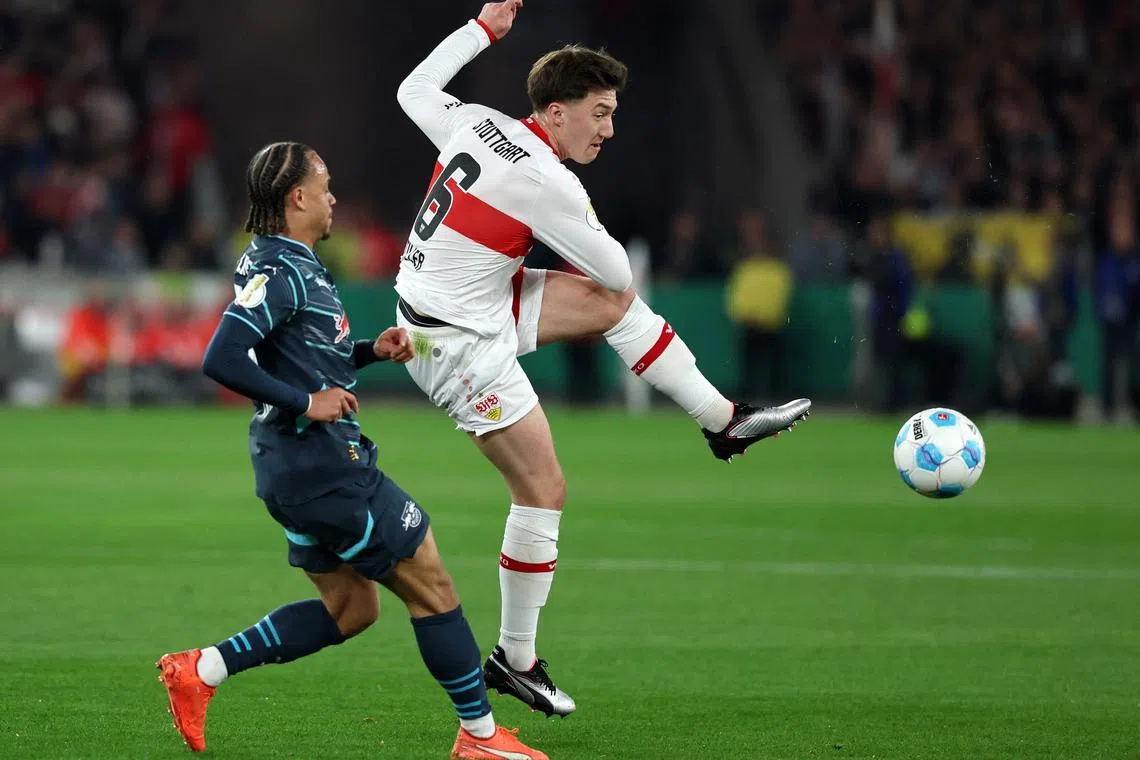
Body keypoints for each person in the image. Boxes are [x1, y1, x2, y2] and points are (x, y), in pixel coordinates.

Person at [394, 0, 811, 717]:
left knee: (610, 309)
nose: (608, 129)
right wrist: (573, 212)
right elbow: (618, 265)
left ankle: (723, 421)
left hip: (463, 300)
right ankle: (514, 659)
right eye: (599, 113)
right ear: (555, 113)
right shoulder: (547, 181)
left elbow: (413, 90)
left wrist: (483, 31)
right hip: (452, 343)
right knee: (544, 489)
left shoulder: (477, 122)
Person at [156, 142, 547, 760]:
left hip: (291, 469)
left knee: (350, 609)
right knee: (432, 584)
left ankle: (202, 670)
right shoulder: (282, 270)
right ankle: (479, 738)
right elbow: (222, 356)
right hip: (323, 467)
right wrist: (306, 402)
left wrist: (367, 350)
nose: (334, 196)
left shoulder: (287, 261)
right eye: (326, 185)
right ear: (298, 197)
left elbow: (298, 351)